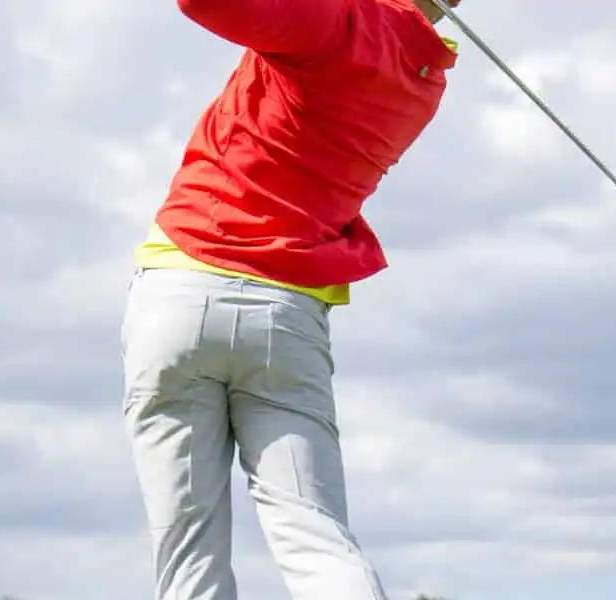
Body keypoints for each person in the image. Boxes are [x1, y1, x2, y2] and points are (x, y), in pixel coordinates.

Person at [120, 0, 462, 598]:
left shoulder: (340, 21)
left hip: (182, 286)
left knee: (189, 558)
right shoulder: (424, 79)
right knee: (315, 537)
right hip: (287, 319)